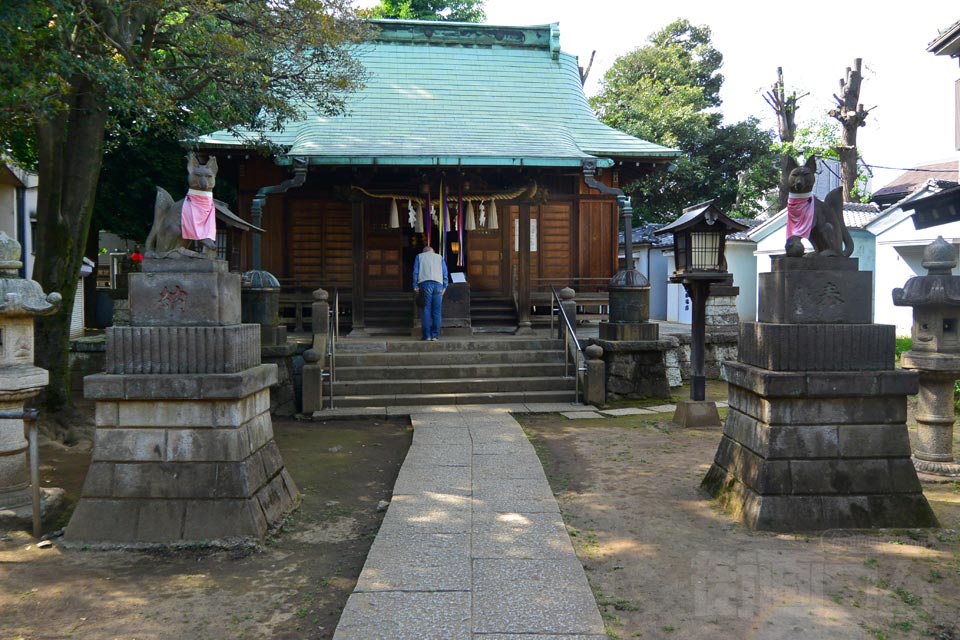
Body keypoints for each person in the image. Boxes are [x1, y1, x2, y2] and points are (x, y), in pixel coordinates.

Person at [413, 245, 449, 341]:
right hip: (438, 285)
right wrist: (445, 286)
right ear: (432, 251)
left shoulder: (419, 256)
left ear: (424, 252)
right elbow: (445, 273)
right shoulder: (439, 257)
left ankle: (427, 336)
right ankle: (435, 335)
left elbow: (416, 272)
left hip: (425, 284)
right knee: (436, 311)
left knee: (426, 310)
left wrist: (415, 286)